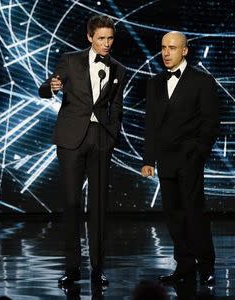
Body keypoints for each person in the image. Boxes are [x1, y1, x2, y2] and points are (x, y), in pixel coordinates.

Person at [38, 15, 126, 286]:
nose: (106, 43)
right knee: (72, 203)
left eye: (110, 38)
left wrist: (111, 135)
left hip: (101, 139)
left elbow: (117, 107)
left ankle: (98, 269)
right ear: (90, 38)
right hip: (71, 138)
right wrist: (51, 87)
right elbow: (46, 87)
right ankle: (72, 268)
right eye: (101, 38)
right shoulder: (70, 60)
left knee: (99, 207)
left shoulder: (119, 69)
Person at [141, 31, 219, 286]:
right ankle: (184, 266)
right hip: (165, 160)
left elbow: (210, 122)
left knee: (194, 213)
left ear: (184, 51)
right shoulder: (154, 83)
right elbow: (151, 124)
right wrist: (148, 159)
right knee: (173, 215)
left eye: (172, 47)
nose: (166, 52)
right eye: (163, 47)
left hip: (189, 159)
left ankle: (206, 266)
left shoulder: (202, 81)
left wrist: (198, 154)